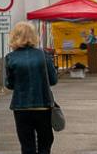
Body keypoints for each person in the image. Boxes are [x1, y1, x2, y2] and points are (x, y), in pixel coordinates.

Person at [5, 21, 58, 154]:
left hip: (21, 107)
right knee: (45, 143)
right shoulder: (43, 55)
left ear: (14, 37)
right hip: (43, 106)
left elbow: (9, 84)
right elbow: (53, 80)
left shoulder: (10, 58)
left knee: (27, 145)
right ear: (34, 36)